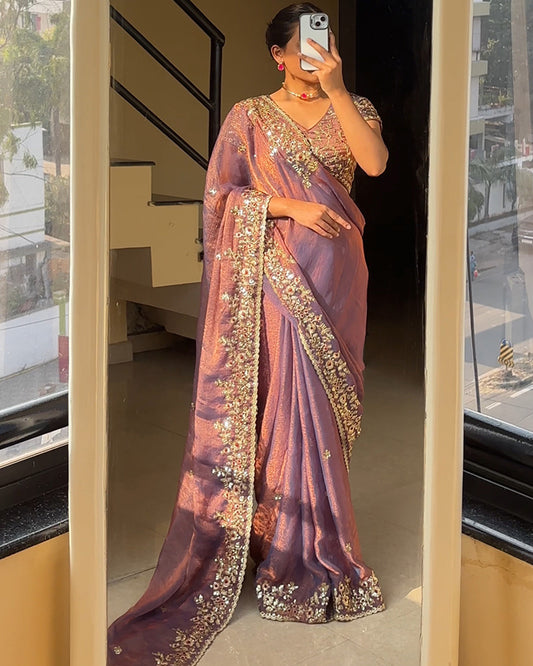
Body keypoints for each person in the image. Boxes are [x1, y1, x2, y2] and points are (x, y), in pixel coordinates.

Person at [107, 3, 389, 664]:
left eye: (325, 44)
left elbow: (374, 166)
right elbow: (220, 196)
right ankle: (284, 541)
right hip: (275, 275)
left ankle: (320, 539)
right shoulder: (249, 116)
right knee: (284, 408)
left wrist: (338, 90)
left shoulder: (356, 107)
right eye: (304, 47)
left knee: (328, 412)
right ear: (277, 56)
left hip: (340, 278)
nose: (317, 55)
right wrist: (289, 205)